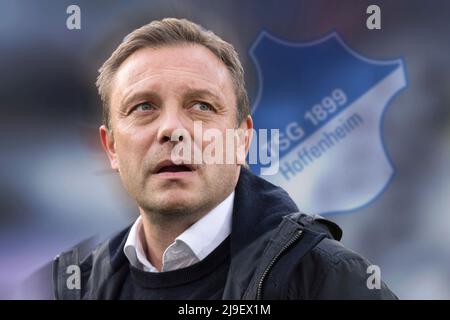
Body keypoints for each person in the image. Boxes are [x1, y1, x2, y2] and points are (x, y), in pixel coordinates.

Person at [53, 18, 397, 300]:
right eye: (144, 107)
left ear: (242, 140)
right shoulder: (76, 289)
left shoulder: (331, 282)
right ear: (111, 148)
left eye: (201, 106)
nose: (172, 129)